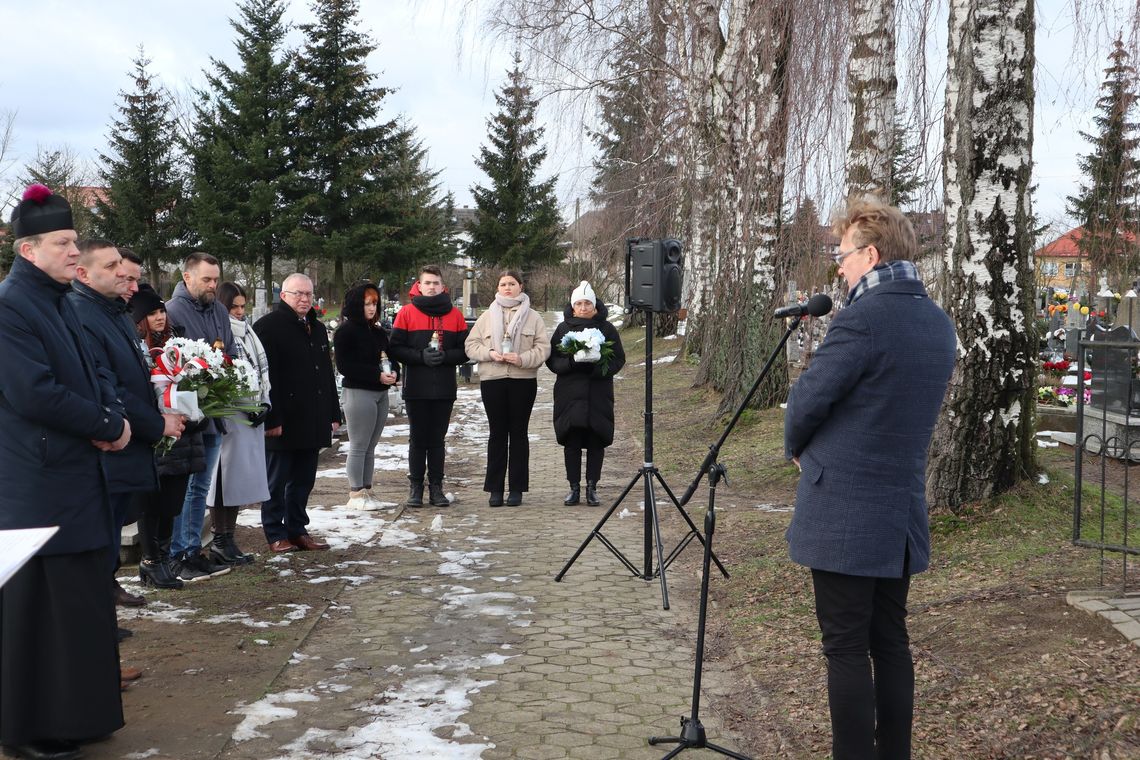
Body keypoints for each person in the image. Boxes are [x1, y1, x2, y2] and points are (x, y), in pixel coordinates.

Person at [783, 197, 956, 760]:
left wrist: (797, 446)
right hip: (899, 510)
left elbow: (809, 397)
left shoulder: (863, 317)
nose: (838, 265)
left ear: (872, 254)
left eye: (844, 254)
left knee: (847, 648)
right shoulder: (935, 321)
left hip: (845, 512)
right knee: (892, 641)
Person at [0, 184, 130, 759]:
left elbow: (98, 372)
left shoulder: (61, 299)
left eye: (75, 240)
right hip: (38, 482)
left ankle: (80, 713)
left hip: (78, 476)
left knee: (81, 602)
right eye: (64, 242)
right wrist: (104, 424)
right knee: (38, 612)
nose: (75, 251)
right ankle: (30, 727)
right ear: (29, 250)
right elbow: (34, 394)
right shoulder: (9, 306)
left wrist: (114, 413)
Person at [68, 241, 186, 602]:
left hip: (128, 442)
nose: (124, 275)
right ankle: (96, 608)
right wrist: (156, 423)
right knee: (98, 530)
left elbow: (132, 371)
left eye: (122, 265)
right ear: (83, 273)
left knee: (114, 524)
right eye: (112, 267)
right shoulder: (82, 315)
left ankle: (104, 596)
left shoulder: (114, 311)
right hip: (109, 445)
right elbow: (108, 386)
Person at [130, 286, 212, 588]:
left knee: (173, 505)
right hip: (159, 438)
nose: (160, 317)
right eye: (151, 313)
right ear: (140, 319)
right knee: (154, 503)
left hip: (185, 437)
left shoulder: (179, 347)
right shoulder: (142, 352)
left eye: (161, 311)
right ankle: (151, 561)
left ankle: (162, 560)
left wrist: (199, 411)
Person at [254, 273, 341, 552]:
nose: (304, 299)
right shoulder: (269, 327)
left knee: (304, 479)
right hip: (284, 417)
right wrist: (272, 417)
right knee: (277, 479)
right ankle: (274, 532)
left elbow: (326, 373)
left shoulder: (315, 327)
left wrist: (333, 411)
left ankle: (297, 528)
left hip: (312, 415)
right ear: (284, 296)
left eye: (308, 294)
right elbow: (268, 378)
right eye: (298, 294)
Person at [163, 252, 235, 579]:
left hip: (215, 411)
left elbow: (228, 352)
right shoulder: (172, 311)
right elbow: (172, 364)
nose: (213, 285)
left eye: (216, 279)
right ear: (187, 277)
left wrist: (226, 377)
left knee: (202, 486)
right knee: (186, 485)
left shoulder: (219, 310)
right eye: (206, 279)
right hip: (188, 414)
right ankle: (178, 552)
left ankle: (193, 549)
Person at [464, 270, 550, 507]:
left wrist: (521, 358)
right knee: (497, 433)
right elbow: (471, 345)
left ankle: (517, 489)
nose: (507, 287)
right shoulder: (486, 316)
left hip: (523, 381)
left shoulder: (533, 317)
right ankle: (495, 489)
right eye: (503, 284)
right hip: (493, 380)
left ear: (520, 286)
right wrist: (489, 353)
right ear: (498, 288)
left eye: (512, 283)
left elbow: (543, 349)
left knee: (519, 434)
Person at [388, 265, 469, 507]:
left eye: (435, 283)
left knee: (437, 440)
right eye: (427, 283)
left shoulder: (455, 315)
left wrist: (447, 357)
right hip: (416, 387)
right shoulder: (406, 313)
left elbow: (465, 350)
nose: (432, 287)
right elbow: (396, 347)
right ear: (419, 286)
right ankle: (415, 488)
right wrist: (420, 357)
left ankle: (436, 487)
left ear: (442, 286)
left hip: (444, 388)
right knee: (418, 438)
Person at [206, 282, 273, 564]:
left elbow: (258, 370)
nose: (240, 312)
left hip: (249, 415)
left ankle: (229, 538)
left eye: (243, 306)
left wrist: (263, 402)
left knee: (238, 483)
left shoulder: (248, 333)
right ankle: (219, 539)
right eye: (234, 307)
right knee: (222, 481)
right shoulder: (219, 333)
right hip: (229, 416)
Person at [546, 281, 626, 507]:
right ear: (572, 307)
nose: (583, 308)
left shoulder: (607, 329)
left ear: (595, 306)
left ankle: (592, 487)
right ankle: (573, 487)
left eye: (587, 303)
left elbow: (618, 359)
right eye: (579, 304)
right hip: (569, 394)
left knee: (595, 440)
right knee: (572, 441)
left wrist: (598, 367)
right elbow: (552, 360)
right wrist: (571, 363)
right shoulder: (563, 329)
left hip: (597, 393)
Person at [333, 282, 400, 510]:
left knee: (371, 446)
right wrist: (376, 375)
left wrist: (394, 373)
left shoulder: (378, 331)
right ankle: (356, 493)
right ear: (355, 305)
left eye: (374, 304)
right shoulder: (346, 331)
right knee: (359, 445)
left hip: (380, 393)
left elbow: (389, 357)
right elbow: (345, 365)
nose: (371, 308)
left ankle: (367, 490)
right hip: (359, 392)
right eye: (367, 304)